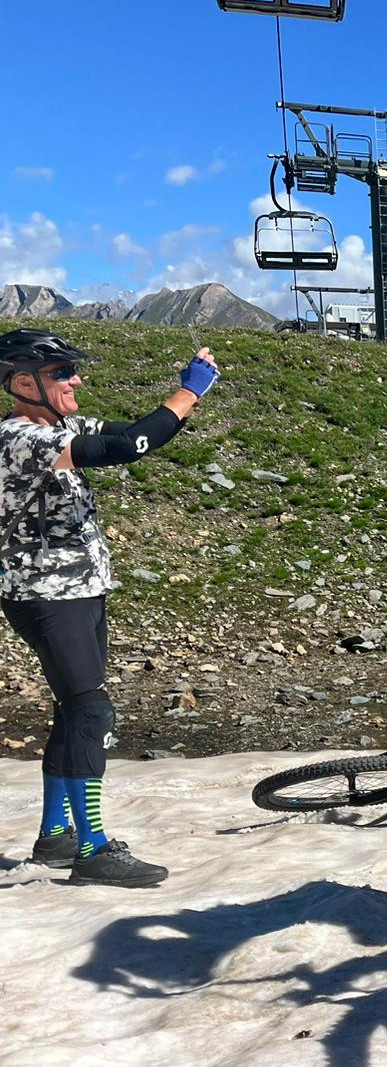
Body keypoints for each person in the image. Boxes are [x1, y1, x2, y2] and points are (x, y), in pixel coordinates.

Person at [0, 329, 219, 888]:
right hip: (45, 592)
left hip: (79, 587)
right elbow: (122, 450)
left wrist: (186, 398)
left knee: (75, 710)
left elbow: (137, 434)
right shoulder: (19, 438)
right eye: (63, 373)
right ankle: (92, 848)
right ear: (24, 384)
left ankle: (56, 836)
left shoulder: (63, 425)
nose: (77, 380)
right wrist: (189, 391)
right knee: (92, 711)